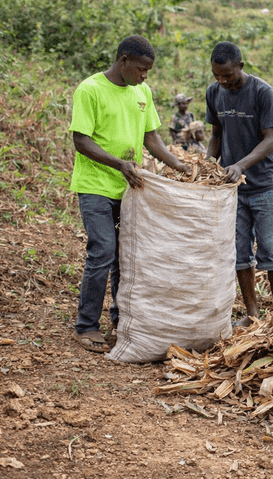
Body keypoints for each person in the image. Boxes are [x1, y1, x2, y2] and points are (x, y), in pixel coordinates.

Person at [69, 35, 190, 353]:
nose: (145, 75)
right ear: (123, 60)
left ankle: (122, 319)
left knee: (126, 255)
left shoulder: (143, 92)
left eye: (148, 70)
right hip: (95, 185)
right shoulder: (91, 89)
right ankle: (86, 325)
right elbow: (81, 140)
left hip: (130, 189)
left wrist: (180, 166)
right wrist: (119, 164)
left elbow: (152, 138)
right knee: (103, 251)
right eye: (141, 69)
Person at [206, 41, 273, 327]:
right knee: (239, 252)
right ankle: (252, 313)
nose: (223, 81)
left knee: (271, 252)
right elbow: (216, 134)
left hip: (264, 185)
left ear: (240, 66)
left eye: (228, 75)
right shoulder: (214, 93)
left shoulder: (262, 92)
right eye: (217, 75)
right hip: (232, 190)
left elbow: (270, 140)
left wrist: (240, 164)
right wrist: (207, 164)